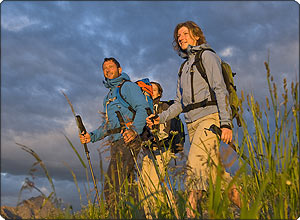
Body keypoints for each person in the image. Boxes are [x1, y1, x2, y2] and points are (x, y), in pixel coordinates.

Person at [146, 21, 240, 217]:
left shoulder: (208, 56)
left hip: (210, 119)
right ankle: (250, 210)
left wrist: (226, 124)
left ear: (196, 35)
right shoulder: (183, 68)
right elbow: (179, 104)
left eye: (185, 33)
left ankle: (189, 214)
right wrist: (160, 118)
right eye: (178, 36)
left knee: (194, 167)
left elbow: (220, 90)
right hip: (192, 125)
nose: (181, 38)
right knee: (216, 177)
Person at [79, 57, 150, 211]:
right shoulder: (108, 98)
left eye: (111, 67)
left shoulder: (128, 87)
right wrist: (91, 136)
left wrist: (134, 130)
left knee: (111, 188)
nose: (107, 70)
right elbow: (109, 125)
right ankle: (137, 214)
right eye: (104, 68)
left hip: (129, 140)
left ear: (119, 69)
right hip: (116, 143)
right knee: (128, 187)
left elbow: (142, 108)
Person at [140, 82, 181, 218]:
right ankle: (151, 214)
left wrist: (154, 136)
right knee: (144, 185)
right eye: (148, 88)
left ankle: (168, 211)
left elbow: (166, 130)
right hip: (148, 151)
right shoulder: (144, 108)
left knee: (155, 183)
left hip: (162, 149)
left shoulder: (164, 107)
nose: (150, 91)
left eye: (154, 89)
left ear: (159, 93)